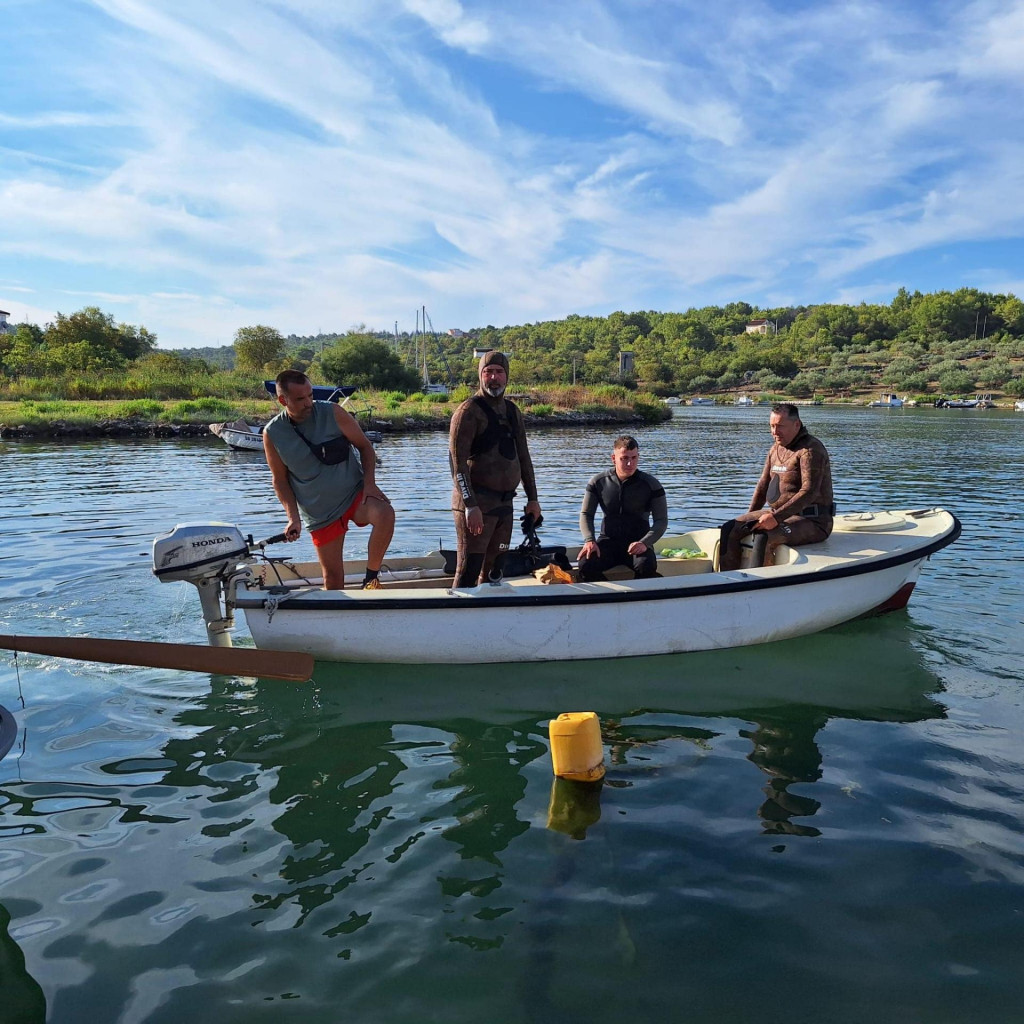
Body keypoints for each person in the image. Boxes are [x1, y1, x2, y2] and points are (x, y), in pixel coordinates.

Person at [263, 369, 394, 590]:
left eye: (310, 395)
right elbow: (280, 480)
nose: (308, 403)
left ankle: (370, 580)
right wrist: (292, 518)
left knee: (385, 514)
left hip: (353, 494)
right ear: (282, 400)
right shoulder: (272, 433)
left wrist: (370, 484)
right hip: (319, 512)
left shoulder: (333, 412)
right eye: (300, 399)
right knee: (333, 578)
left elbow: (365, 447)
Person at [448, 350, 541, 587]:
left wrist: (533, 499)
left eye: (499, 372)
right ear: (480, 376)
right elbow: (457, 464)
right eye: (488, 372)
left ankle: (488, 619)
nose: (493, 378)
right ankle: (458, 617)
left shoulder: (512, 412)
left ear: (507, 376)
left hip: (504, 506)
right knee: (468, 569)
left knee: (495, 572)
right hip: (476, 505)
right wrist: (470, 506)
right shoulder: (468, 412)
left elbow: (523, 456)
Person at [718, 402, 834, 571]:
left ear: (796, 424)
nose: (774, 432)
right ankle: (727, 581)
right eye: (772, 426)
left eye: (780, 426)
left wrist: (776, 518)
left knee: (763, 536)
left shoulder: (810, 450)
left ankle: (756, 586)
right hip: (778, 514)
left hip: (813, 521)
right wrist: (750, 516)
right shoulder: (776, 449)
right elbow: (763, 485)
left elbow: (809, 491)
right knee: (731, 528)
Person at [577, 435, 668, 581]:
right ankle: (609, 597)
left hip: (638, 543)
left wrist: (645, 543)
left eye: (634, 458)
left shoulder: (651, 485)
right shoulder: (598, 482)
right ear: (614, 458)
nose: (630, 463)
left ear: (638, 456)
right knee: (585, 564)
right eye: (624, 458)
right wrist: (589, 540)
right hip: (608, 541)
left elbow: (661, 521)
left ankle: (640, 597)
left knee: (646, 565)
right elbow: (586, 514)